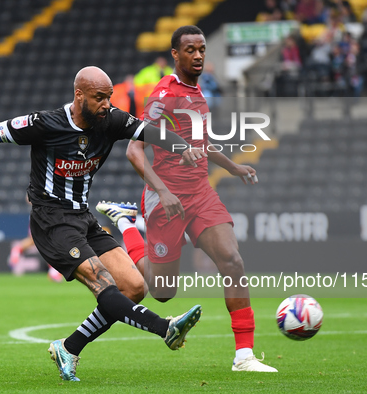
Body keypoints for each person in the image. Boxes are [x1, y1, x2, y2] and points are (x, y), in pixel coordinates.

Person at [0, 66, 206, 382]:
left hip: (83, 218)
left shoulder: (111, 121)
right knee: (103, 284)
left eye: (109, 98)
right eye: (99, 98)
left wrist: (182, 146)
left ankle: (69, 347)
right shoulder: (45, 124)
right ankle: (164, 328)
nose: (106, 104)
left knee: (133, 287)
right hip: (51, 221)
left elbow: (150, 132)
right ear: (79, 95)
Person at [98, 26, 277, 373]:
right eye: (190, 50)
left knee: (233, 262)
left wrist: (233, 166)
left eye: (202, 49)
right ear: (175, 55)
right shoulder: (164, 95)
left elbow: (200, 143)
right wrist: (162, 192)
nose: (197, 55)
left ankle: (244, 356)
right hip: (166, 199)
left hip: (200, 194)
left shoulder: (197, 93)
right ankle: (125, 222)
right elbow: (134, 150)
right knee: (162, 291)